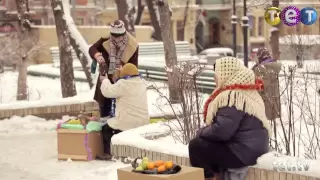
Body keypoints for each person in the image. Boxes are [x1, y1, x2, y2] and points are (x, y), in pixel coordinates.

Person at [188, 57, 270, 180]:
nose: (214, 79)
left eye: (216, 75)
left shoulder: (232, 96)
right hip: (254, 148)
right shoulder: (246, 91)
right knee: (209, 146)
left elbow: (222, 132)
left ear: (225, 74)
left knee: (196, 146)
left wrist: (201, 132)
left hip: (243, 152)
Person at [98, 63, 149, 160]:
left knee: (106, 128)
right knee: (115, 124)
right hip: (143, 122)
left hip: (127, 122)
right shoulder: (142, 83)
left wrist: (105, 80)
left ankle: (109, 153)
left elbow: (107, 91)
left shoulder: (123, 84)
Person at [89, 19, 139, 118]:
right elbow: (92, 48)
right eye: (114, 36)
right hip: (105, 79)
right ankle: (105, 131)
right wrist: (98, 56)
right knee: (104, 113)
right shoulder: (105, 39)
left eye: (119, 36)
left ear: (124, 33)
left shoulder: (133, 45)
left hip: (122, 83)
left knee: (119, 115)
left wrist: (122, 69)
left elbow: (134, 68)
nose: (116, 39)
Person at [252, 48, 281, 121]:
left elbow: (258, 89)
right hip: (276, 108)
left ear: (260, 58)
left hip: (264, 110)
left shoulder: (259, 71)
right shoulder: (274, 68)